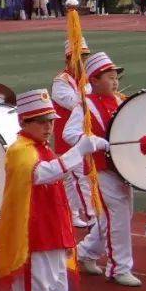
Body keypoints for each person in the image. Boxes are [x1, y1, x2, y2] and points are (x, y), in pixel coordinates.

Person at [0, 89, 110, 291]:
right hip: (33, 237)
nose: (48, 126)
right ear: (25, 122)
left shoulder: (43, 147)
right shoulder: (20, 150)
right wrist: (79, 150)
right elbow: (42, 175)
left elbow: (56, 174)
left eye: (50, 121)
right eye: (41, 121)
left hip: (54, 232)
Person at [63, 52, 140, 286]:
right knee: (117, 217)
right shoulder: (86, 105)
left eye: (116, 77)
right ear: (94, 80)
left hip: (123, 168)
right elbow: (69, 134)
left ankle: (85, 252)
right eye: (109, 77)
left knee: (118, 215)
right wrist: (95, 141)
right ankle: (119, 268)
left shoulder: (119, 100)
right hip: (102, 169)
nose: (115, 81)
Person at [51, 37, 95, 228]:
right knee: (80, 177)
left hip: (79, 136)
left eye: (85, 58)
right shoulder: (61, 82)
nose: (82, 62)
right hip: (67, 139)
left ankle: (71, 213)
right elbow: (74, 102)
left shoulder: (85, 80)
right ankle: (92, 215)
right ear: (68, 59)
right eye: (79, 58)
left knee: (71, 180)